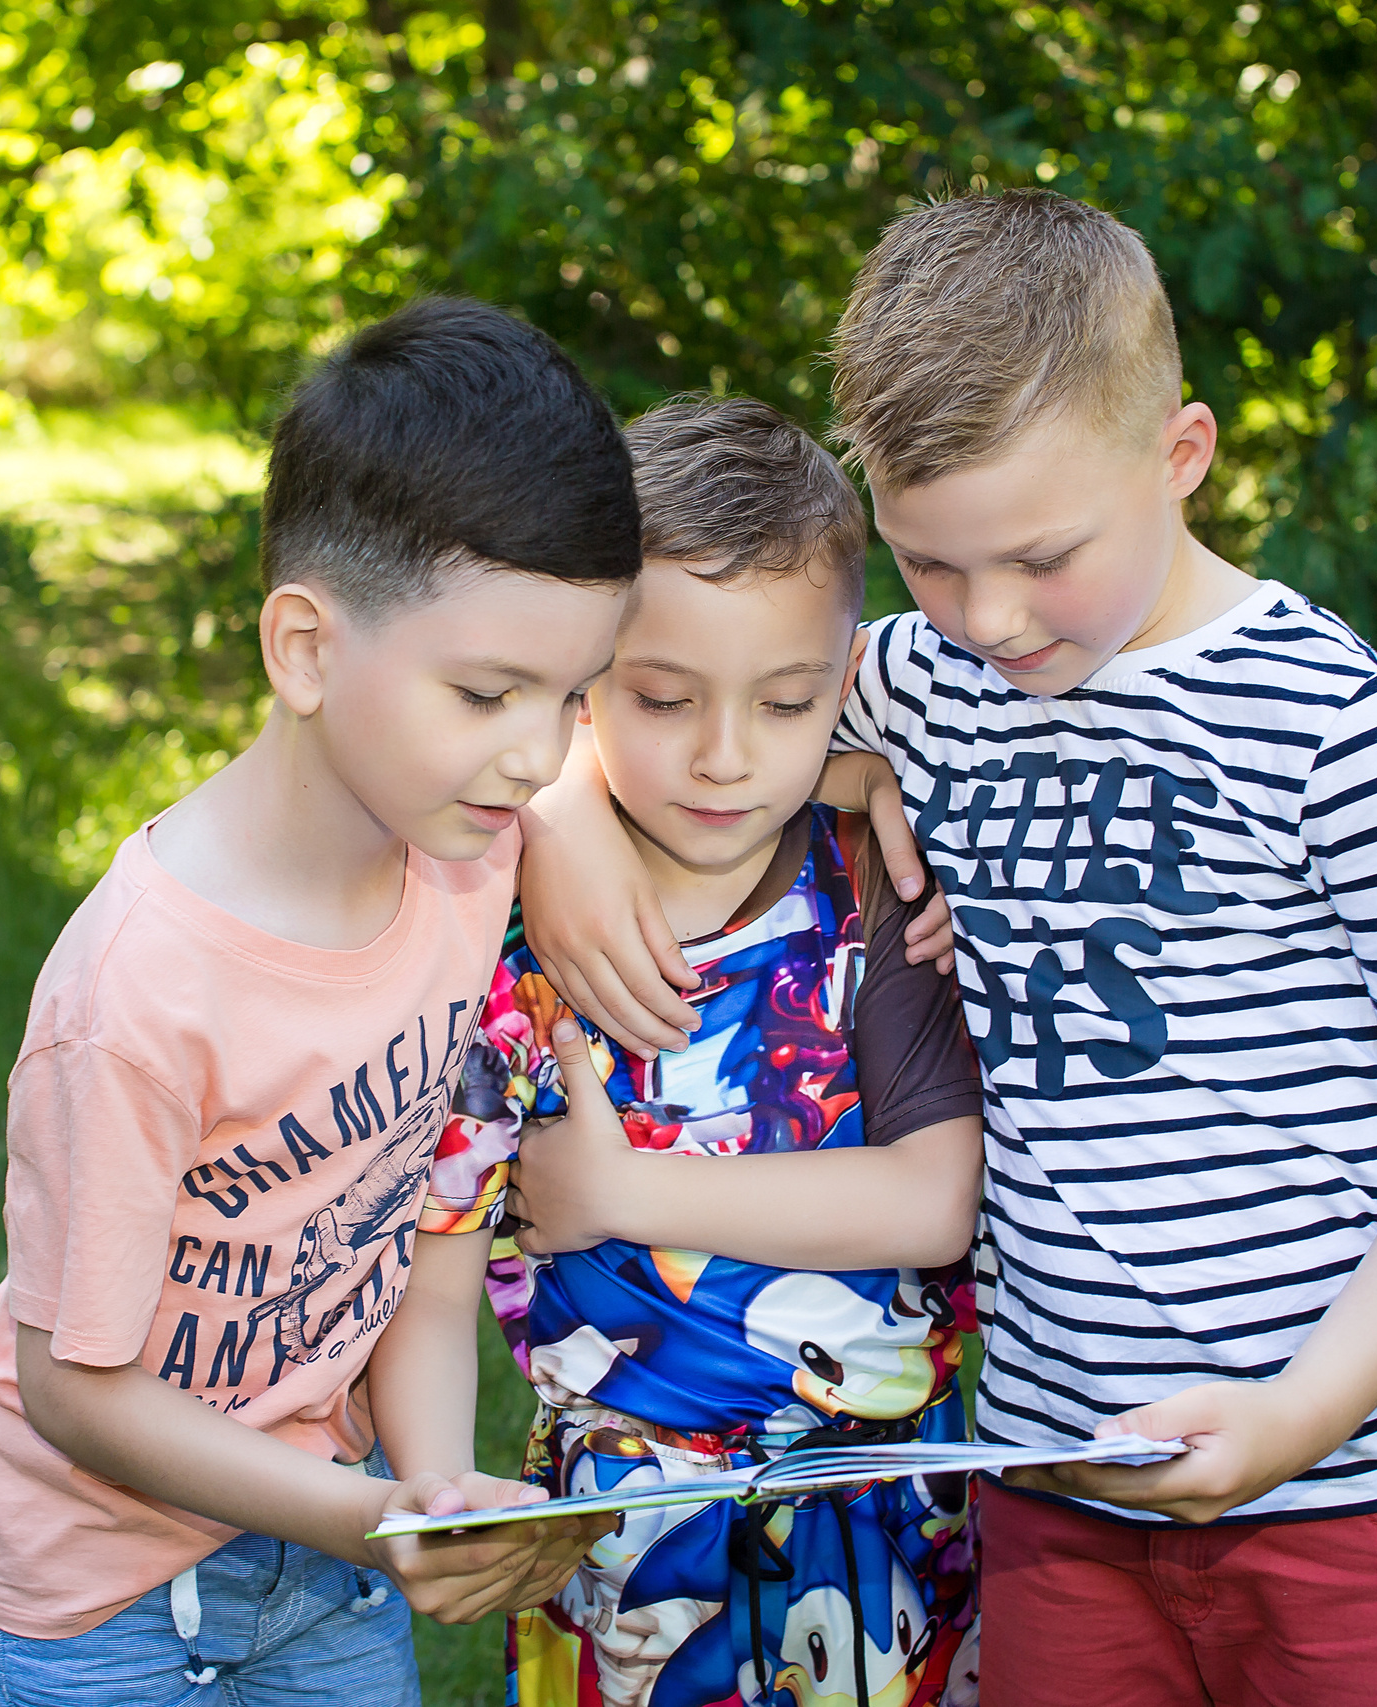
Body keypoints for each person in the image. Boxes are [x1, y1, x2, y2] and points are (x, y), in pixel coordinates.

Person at [517, 192, 1377, 1706]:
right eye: (931, 566)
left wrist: (1304, 1413)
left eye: (1040, 556)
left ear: (1182, 454)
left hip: (1350, 1489)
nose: (992, 618)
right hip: (1045, 1469)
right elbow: (684, 711)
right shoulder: (925, 681)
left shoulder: (1355, 745)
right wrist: (557, 813)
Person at [0, 297, 637, 1705]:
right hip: (101, 1601)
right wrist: (376, 1522)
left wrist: (429, 1493)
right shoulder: (135, 997)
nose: (538, 752)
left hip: (329, 1557)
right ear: (306, 650)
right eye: (491, 692)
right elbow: (77, 1391)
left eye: (571, 695)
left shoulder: (463, 850)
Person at [420, 395, 991, 1707]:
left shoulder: (873, 883)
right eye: (663, 700)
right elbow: (436, 1254)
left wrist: (627, 1193)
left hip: (883, 1509)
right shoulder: (495, 917)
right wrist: (443, 1480)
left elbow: (933, 1197)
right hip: (622, 1528)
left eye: (786, 704)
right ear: (582, 688)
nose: (725, 758)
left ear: (843, 691)